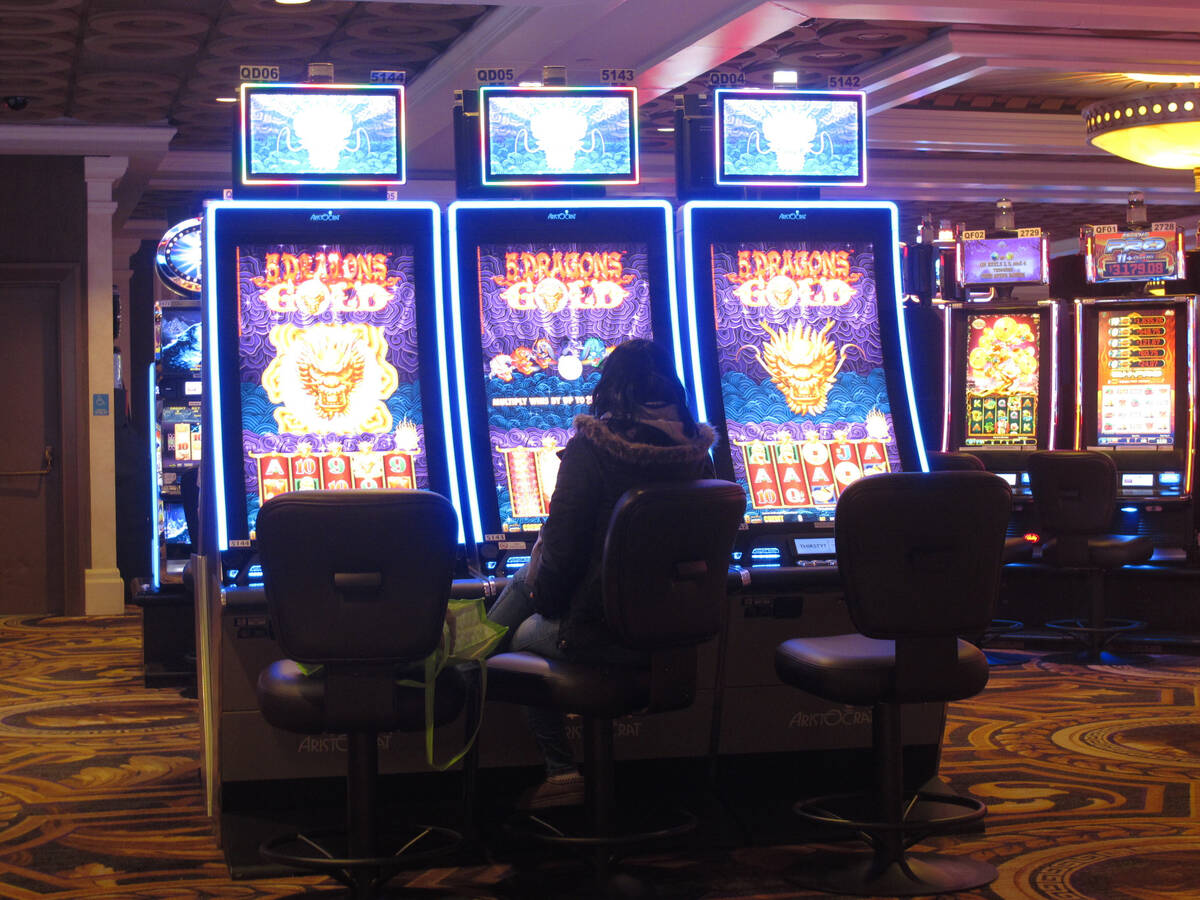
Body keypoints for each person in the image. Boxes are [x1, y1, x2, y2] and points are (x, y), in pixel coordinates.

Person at [487, 338, 717, 809]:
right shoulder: (700, 455)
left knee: (514, 632)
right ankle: (464, 662)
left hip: (596, 633)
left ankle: (560, 771)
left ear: (609, 389)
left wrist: (541, 597)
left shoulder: (591, 450)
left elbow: (560, 563)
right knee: (521, 586)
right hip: (674, 638)